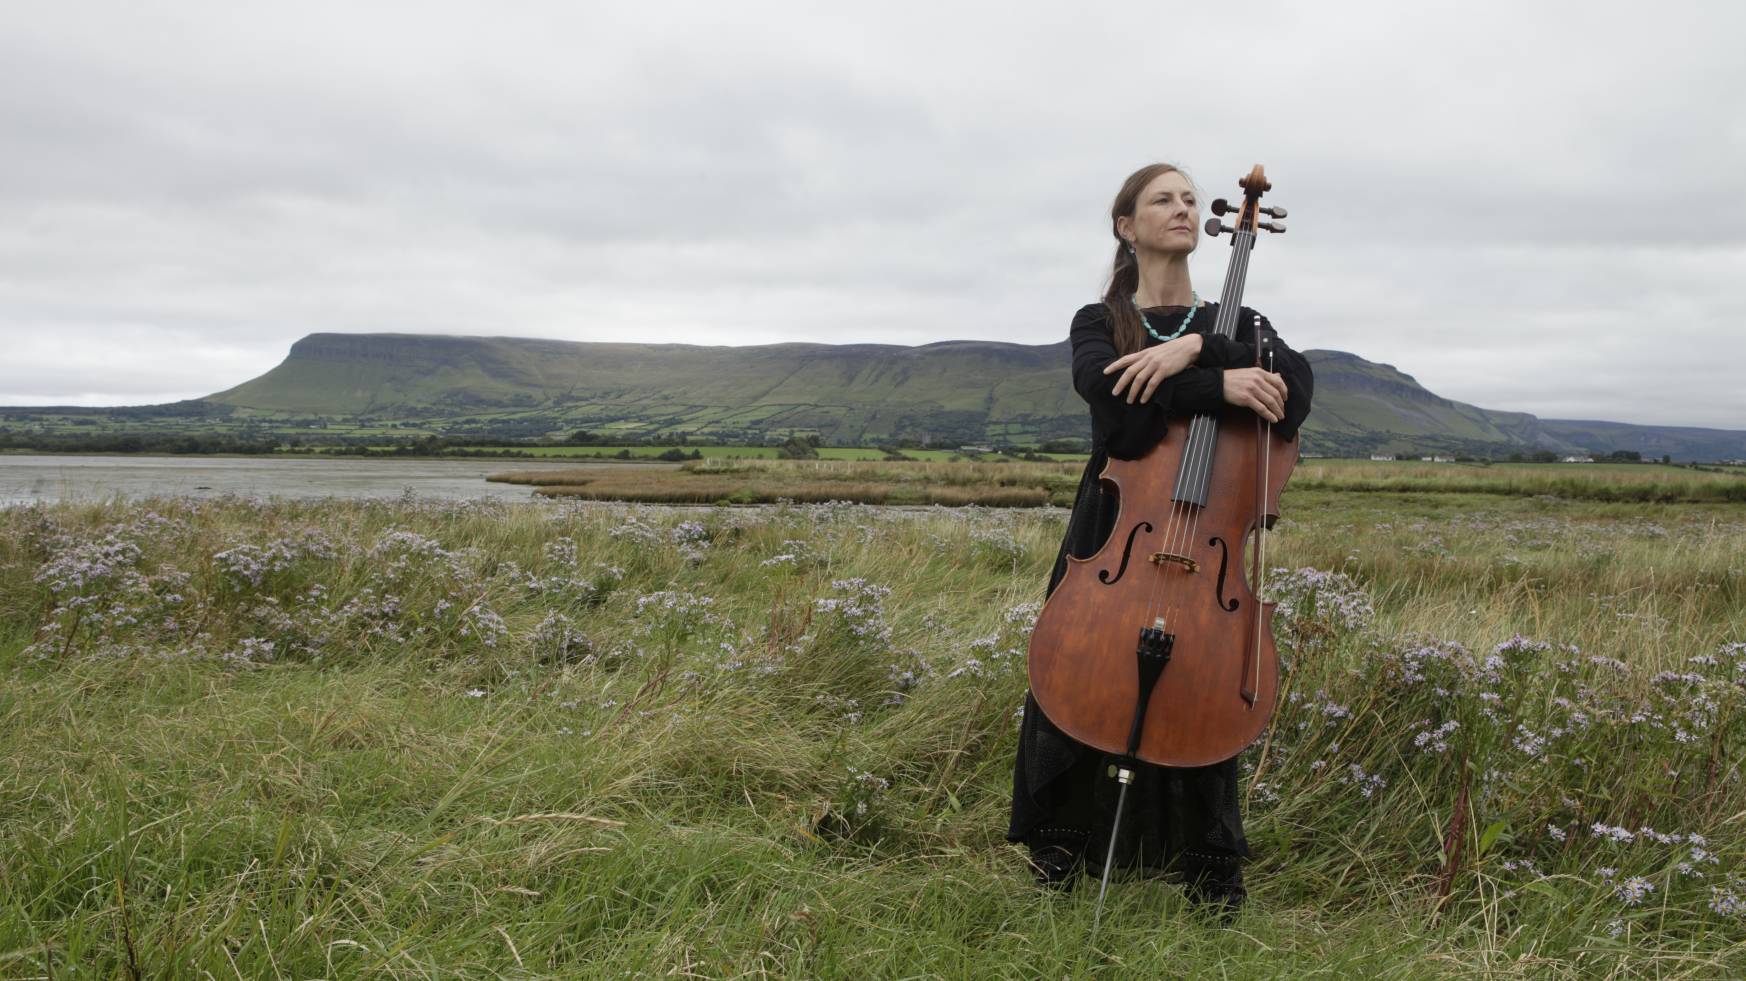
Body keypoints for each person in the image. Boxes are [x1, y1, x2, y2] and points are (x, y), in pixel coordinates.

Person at [1007, 162, 1314, 913]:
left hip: (1208, 539)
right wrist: (1217, 378)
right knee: (1082, 676)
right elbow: (1120, 409)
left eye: (1186, 198)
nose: (1180, 208)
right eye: (1162, 199)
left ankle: (1208, 866)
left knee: (1202, 684)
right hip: (1117, 531)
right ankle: (1065, 849)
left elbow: (1294, 392)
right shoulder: (1098, 322)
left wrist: (1194, 348)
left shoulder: (1239, 321)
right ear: (1126, 226)